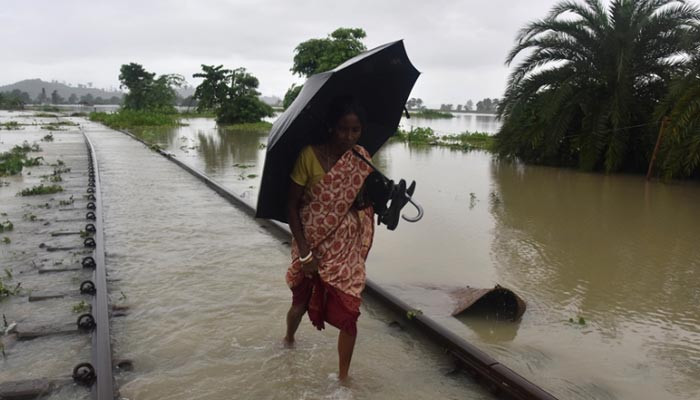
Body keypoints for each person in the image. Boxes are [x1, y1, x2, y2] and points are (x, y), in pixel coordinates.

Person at [283, 96, 374, 381]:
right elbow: (292, 206)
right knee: (299, 302)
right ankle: (288, 339)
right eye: (343, 129)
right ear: (331, 128)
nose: (349, 137)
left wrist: (386, 199)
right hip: (312, 242)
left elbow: (360, 202)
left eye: (355, 130)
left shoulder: (361, 158)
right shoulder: (308, 155)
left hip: (345, 247)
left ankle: (343, 378)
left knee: (350, 310)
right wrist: (305, 254)